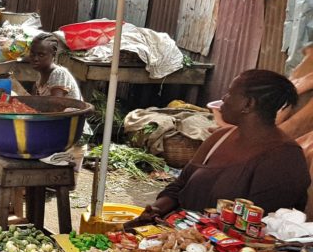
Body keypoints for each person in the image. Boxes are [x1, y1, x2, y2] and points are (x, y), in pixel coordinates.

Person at [130, 70, 310, 226]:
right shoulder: (219, 137)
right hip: (180, 236)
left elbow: (261, 226)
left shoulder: (284, 158)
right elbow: (180, 185)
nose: (224, 98)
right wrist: (156, 209)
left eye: (230, 93)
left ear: (248, 104)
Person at [28, 33, 82, 99]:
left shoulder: (58, 73)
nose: (35, 58)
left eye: (41, 55)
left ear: (53, 53)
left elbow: (55, 104)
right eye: (32, 54)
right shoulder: (40, 79)